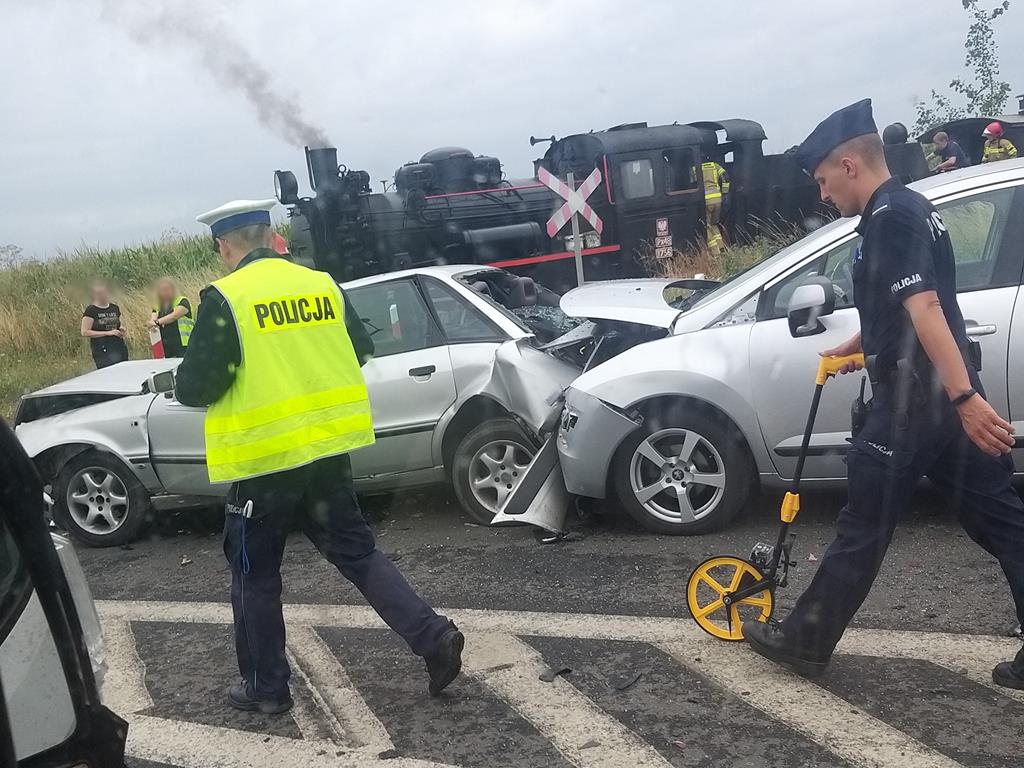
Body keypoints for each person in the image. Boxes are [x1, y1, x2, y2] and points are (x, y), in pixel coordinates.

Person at [742, 99, 1024, 691]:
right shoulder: (914, 208)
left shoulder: (889, 217)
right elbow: (908, 306)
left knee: (863, 523)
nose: (822, 195)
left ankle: (805, 639)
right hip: (933, 397)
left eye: (822, 180)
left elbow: (924, 307)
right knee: (1004, 522)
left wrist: (964, 398)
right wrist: (858, 346)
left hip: (914, 405)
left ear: (849, 164)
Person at [175, 199, 464, 714]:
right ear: (270, 235)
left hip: (265, 465)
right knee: (358, 554)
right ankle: (433, 636)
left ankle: (267, 688)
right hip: (327, 453)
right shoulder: (321, 284)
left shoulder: (226, 297)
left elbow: (197, 386)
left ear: (224, 245)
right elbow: (360, 349)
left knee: (254, 576)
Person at [81, 279, 128, 369]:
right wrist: (107, 333)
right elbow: (84, 332)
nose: (102, 295)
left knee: (123, 370)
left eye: (104, 292)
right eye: (99, 293)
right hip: (102, 348)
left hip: (118, 345)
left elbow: (117, 324)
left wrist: (121, 330)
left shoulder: (114, 308)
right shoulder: (91, 310)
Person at [148, 277, 194, 358]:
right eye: (162, 290)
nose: (165, 292)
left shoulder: (182, 301)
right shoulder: (158, 305)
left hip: (183, 345)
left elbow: (175, 316)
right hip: (165, 347)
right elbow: (153, 318)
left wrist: (158, 322)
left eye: (168, 289)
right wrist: (152, 323)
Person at [701, 154, 730, 255]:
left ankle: (715, 252)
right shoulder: (715, 166)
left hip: (706, 201)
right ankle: (721, 247)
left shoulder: (695, 168)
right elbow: (726, 178)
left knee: (707, 226)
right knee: (714, 224)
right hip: (718, 200)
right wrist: (725, 193)